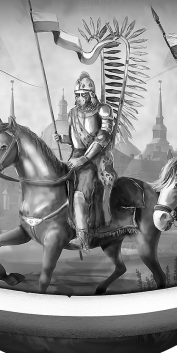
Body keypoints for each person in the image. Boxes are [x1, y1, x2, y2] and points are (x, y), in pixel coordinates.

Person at [53, 71, 113, 250]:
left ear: (91, 94)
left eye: (82, 95)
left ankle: (83, 238)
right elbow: (74, 140)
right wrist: (62, 139)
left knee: (80, 195)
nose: (78, 98)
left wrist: (85, 159)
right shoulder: (72, 113)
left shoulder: (103, 110)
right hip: (74, 157)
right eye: (77, 94)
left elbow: (103, 137)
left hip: (95, 159)